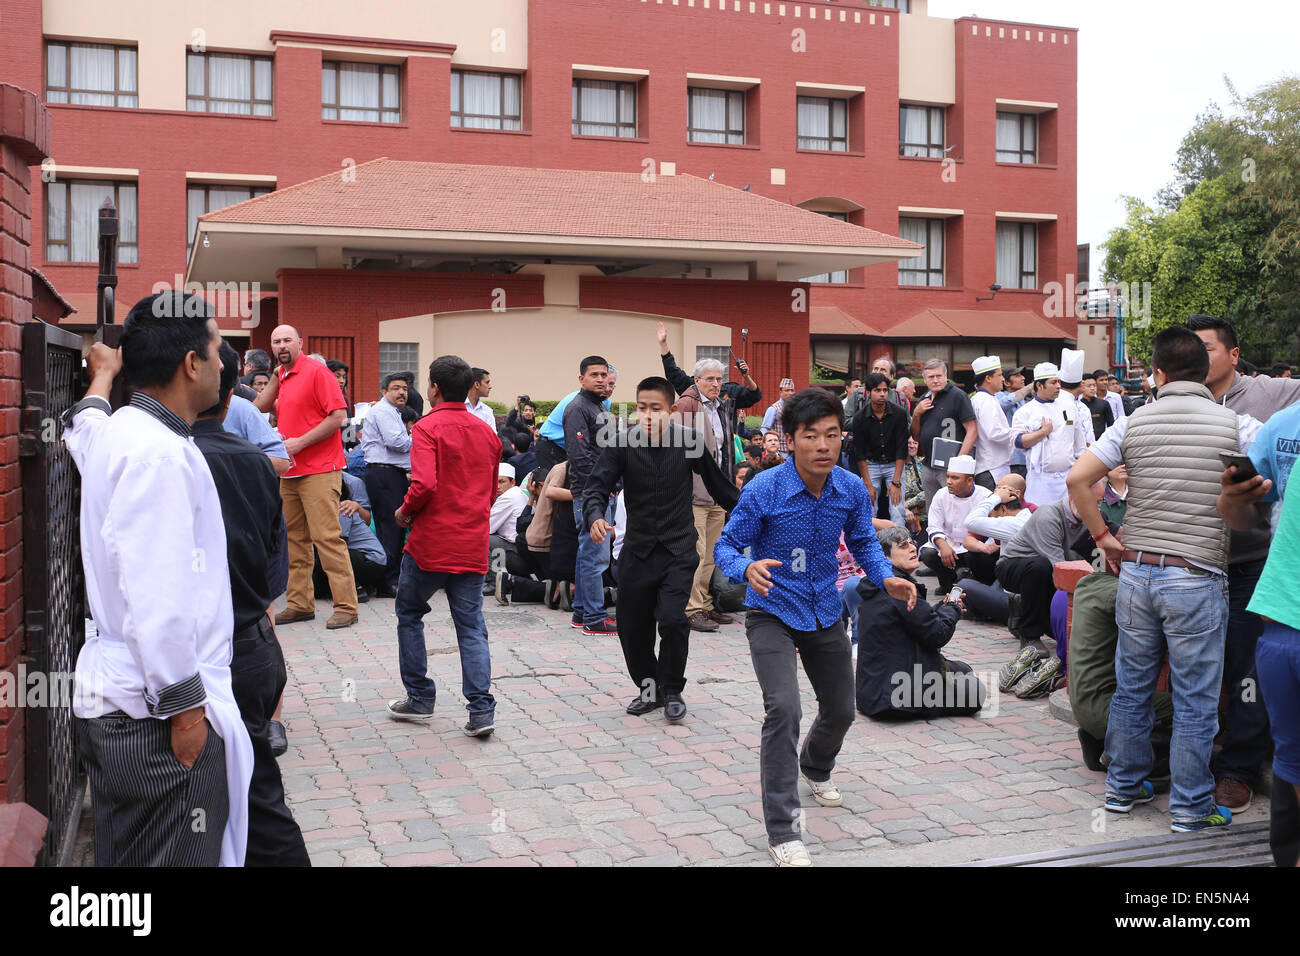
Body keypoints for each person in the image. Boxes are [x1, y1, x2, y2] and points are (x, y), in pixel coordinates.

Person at [64, 293, 252, 866]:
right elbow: (159, 595)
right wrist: (186, 711)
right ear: (192, 363)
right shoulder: (157, 455)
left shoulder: (126, 432)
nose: (225, 366)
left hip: (132, 700)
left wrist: (102, 377)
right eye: (219, 352)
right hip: (157, 714)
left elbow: (82, 428)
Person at [715, 389, 918, 867]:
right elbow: (726, 546)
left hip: (826, 610)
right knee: (783, 709)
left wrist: (885, 577)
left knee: (843, 710)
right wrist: (745, 568)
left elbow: (866, 542)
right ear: (790, 440)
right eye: (811, 436)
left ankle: (816, 765)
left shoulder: (850, 487)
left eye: (832, 434)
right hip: (772, 611)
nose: (823, 445)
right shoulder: (763, 489)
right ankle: (783, 830)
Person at [1068, 326, 1241, 833]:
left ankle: (1122, 789)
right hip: (1196, 575)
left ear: (1158, 374)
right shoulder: (1233, 425)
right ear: (1204, 371)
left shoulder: (1134, 423)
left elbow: (1079, 480)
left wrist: (1103, 536)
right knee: (1195, 700)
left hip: (1138, 572)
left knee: (1132, 688)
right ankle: (1189, 808)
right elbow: (1252, 496)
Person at [192, 341, 310, 866]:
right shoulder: (255, 465)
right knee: (260, 793)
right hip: (251, 647)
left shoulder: (157, 456)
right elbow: (272, 573)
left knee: (184, 805)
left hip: (189, 660)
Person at [1187, 314, 1300, 813]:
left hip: (1258, 563)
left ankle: (1239, 768)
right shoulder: (1173, 400)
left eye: (1207, 348)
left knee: (1247, 666)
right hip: (1194, 557)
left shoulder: (1271, 399)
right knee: (1200, 664)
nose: (1197, 358)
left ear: (1234, 355)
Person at [582, 376, 740, 722]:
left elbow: (721, 488)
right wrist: (595, 516)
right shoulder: (621, 444)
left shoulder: (690, 442)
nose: (648, 415)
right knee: (631, 626)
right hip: (637, 552)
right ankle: (649, 689)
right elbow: (596, 488)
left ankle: (672, 690)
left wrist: (754, 517)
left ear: (671, 411)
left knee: (671, 619)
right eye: (641, 408)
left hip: (678, 549)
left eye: (656, 408)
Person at [388, 355, 503, 736]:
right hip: (470, 542)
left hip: (430, 543)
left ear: (434, 388)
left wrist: (404, 512)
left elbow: (423, 485)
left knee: (409, 613)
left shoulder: (426, 427)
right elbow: (489, 494)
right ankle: (481, 710)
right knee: (471, 627)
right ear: (470, 386)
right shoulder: (487, 432)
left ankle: (420, 698)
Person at [1217, 404, 1300, 866]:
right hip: (1283, 613)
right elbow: (1242, 516)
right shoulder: (1283, 426)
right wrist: (1233, 496)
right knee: (1291, 761)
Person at [253, 325, 358, 629]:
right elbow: (259, 406)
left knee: (326, 538)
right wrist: (274, 375)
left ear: (299, 343)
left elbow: (339, 417)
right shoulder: (282, 375)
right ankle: (300, 604)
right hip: (290, 469)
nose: (282, 345)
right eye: (276, 342)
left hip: (321, 468)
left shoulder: (317, 371)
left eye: (287, 340)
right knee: (293, 540)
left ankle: (346, 606)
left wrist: (300, 442)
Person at [855, 526, 985, 720]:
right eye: (903, 545)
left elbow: (919, 620)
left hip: (871, 695)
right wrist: (953, 609)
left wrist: (944, 606)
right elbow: (937, 634)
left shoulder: (879, 583)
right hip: (898, 699)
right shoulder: (900, 589)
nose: (913, 548)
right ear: (886, 557)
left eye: (912, 543)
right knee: (976, 690)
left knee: (963, 669)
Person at [662, 352, 748, 632]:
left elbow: (723, 451)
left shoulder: (721, 406)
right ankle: (691, 608)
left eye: (719, 379)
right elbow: (675, 447)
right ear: (696, 380)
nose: (715, 383)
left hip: (717, 492)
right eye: (709, 379)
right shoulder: (686, 404)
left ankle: (706, 604)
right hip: (694, 492)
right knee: (695, 553)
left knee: (712, 553)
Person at [562, 356, 619, 636]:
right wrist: (598, 491)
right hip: (591, 494)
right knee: (595, 556)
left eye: (603, 374)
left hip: (601, 491)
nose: (600, 379)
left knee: (588, 552)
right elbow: (580, 456)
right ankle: (595, 617)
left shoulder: (598, 406)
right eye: (594, 374)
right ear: (581, 378)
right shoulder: (577, 408)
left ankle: (582, 612)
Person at [359, 372, 413, 597]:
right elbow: (397, 442)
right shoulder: (383, 411)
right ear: (384, 392)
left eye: (405, 389)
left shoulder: (392, 412)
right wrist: (418, 437)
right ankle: (387, 582)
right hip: (384, 474)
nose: (402, 392)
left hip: (390, 474)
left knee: (393, 528)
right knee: (390, 527)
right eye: (396, 388)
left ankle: (389, 579)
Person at [1011, 362, 1090, 507]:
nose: (1059, 386)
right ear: (1040, 385)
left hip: (1068, 477)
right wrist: (1042, 433)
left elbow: (1080, 447)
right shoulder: (1025, 411)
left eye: (1059, 381)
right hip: (1040, 480)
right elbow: (1017, 441)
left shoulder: (1070, 407)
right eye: (1053, 383)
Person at [918, 455, 998, 593]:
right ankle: (947, 585)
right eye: (948, 476)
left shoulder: (986, 496)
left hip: (975, 546)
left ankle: (978, 585)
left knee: (975, 556)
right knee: (928, 554)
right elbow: (933, 526)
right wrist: (943, 546)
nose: (948, 481)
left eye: (954, 478)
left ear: (969, 480)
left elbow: (992, 529)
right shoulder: (941, 494)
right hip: (949, 544)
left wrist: (976, 545)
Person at [910, 358, 977, 519]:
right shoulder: (923, 399)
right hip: (928, 464)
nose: (935, 380)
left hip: (951, 465)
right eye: (931, 377)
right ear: (924, 380)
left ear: (946, 376)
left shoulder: (958, 396)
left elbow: (972, 429)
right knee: (933, 509)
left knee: (956, 507)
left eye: (939, 376)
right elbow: (915, 435)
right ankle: (934, 541)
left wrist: (960, 461)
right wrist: (916, 414)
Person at [313, 471, 389, 603]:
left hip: (372, 560)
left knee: (329, 550)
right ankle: (365, 585)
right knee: (318, 590)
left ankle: (357, 589)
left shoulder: (343, 507)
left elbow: (337, 544)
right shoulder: (330, 508)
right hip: (359, 557)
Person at [852, 372, 909, 528]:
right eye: (878, 390)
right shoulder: (859, 418)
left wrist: (896, 481)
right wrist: (868, 485)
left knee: (897, 508)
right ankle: (870, 545)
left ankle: (900, 544)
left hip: (894, 463)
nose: (882, 394)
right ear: (868, 393)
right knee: (869, 507)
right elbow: (860, 454)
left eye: (885, 390)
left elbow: (901, 447)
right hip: (870, 464)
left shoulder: (899, 414)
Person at [970, 355, 1014, 488]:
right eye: (999, 375)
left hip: (993, 467)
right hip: (991, 469)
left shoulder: (987, 398)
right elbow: (994, 433)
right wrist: (1019, 433)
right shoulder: (984, 400)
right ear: (988, 378)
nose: (1003, 379)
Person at [760, 378, 797, 452]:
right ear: (780, 392)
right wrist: (767, 445)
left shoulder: (796, 407)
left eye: (792, 390)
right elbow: (764, 428)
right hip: (779, 450)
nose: (790, 393)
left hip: (794, 449)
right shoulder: (774, 409)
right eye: (787, 390)